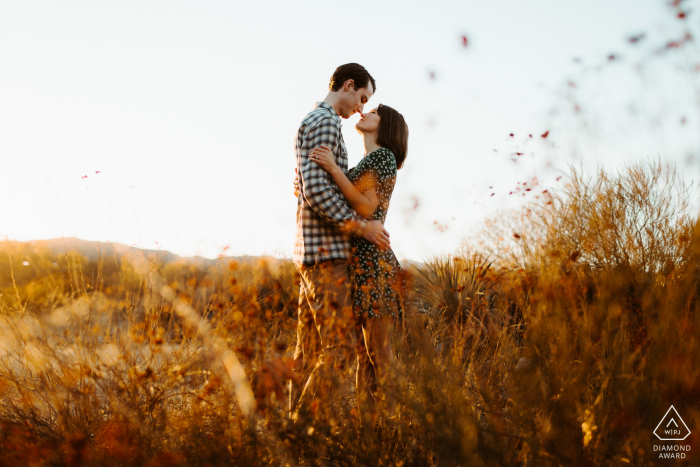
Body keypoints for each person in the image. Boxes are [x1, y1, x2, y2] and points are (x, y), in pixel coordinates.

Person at [291, 63, 390, 419]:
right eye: (361, 97)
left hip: (308, 253)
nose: (360, 108)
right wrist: (362, 228)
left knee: (309, 351)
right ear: (348, 85)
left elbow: (304, 187)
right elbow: (317, 192)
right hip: (326, 255)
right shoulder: (328, 121)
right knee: (340, 349)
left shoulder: (311, 119)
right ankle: (301, 432)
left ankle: (294, 437)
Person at [307, 103, 409, 420]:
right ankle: (370, 435)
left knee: (379, 354)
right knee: (365, 357)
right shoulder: (367, 161)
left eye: (375, 112)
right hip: (358, 261)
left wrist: (334, 170)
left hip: (374, 264)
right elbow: (344, 199)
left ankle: (393, 431)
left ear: (386, 125)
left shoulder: (384, 157)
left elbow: (365, 208)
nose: (366, 112)